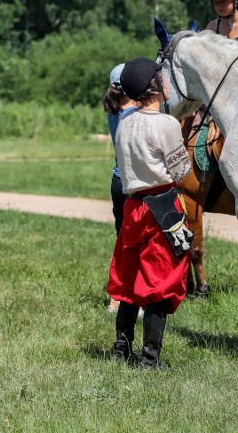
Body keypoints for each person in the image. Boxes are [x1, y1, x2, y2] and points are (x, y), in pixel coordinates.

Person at [107, 57, 193, 369]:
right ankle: (150, 358)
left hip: (134, 208)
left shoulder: (124, 122)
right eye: (162, 77)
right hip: (162, 208)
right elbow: (181, 172)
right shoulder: (167, 124)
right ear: (153, 86)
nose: (167, 81)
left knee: (130, 279)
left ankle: (121, 349)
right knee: (160, 279)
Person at [103, 63, 138, 313]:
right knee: (139, 243)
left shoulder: (113, 110)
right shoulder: (134, 113)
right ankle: (135, 298)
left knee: (123, 241)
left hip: (119, 182)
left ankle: (116, 298)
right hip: (135, 185)